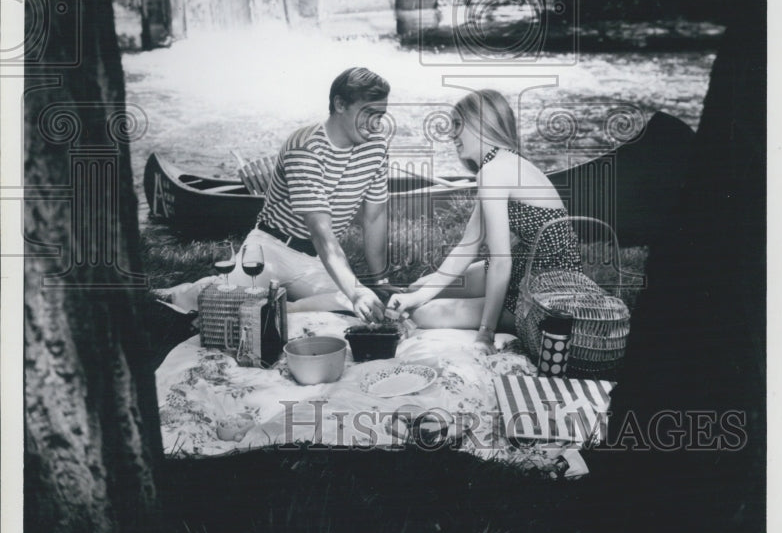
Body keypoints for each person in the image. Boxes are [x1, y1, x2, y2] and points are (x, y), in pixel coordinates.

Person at [164, 68, 394, 322]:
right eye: (368, 114)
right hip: (270, 248)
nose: (375, 124)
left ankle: (278, 309)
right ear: (340, 104)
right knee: (223, 306)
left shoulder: (377, 146)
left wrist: (378, 281)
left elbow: (374, 217)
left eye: (380, 115)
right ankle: (184, 294)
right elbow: (320, 232)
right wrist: (357, 290)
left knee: (360, 307)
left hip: (315, 260)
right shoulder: (305, 147)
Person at [386, 89, 581, 351]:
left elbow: (502, 260)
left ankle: (492, 317)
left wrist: (486, 333)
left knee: (425, 314)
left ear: (482, 124)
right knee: (417, 287)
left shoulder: (495, 171)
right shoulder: (499, 165)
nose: (450, 134)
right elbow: (468, 244)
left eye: (458, 125)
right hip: (527, 270)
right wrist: (417, 296)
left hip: (548, 295)